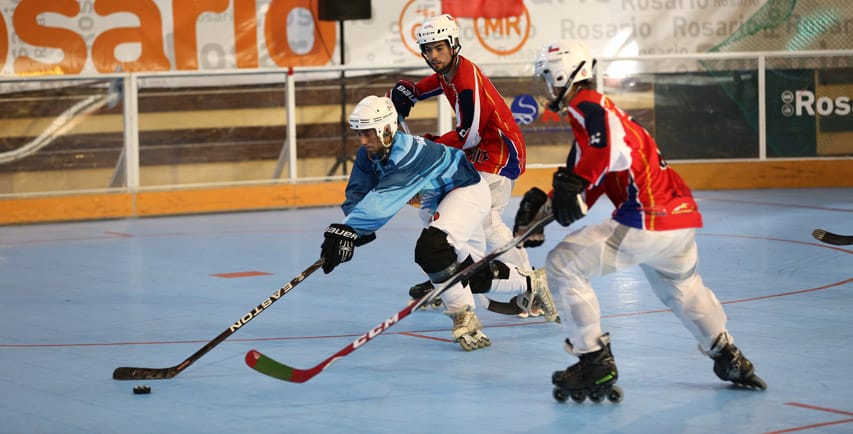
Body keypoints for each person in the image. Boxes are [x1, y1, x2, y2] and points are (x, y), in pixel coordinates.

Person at [513, 40, 767, 401]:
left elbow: (593, 162)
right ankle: (727, 356)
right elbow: (590, 181)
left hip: (647, 219)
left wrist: (571, 190)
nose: (545, 88)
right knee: (685, 291)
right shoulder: (605, 118)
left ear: (563, 74)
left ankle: (593, 360)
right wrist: (540, 218)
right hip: (680, 221)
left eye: (547, 78)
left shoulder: (588, 106)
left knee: (563, 263)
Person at [320, 95, 556, 351]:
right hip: (440, 200)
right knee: (467, 274)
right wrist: (350, 230)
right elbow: (359, 189)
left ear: (386, 129)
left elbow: (385, 197)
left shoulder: (409, 154)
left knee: (431, 250)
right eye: (360, 134)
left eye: (368, 133)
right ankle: (533, 282)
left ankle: (463, 316)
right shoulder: (370, 152)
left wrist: (349, 230)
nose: (363, 141)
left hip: (467, 191)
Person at [388, 14, 544, 318]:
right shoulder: (450, 71)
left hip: (499, 153)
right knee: (459, 211)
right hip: (481, 152)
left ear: (453, 44)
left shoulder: (465, 79)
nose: (433, 56)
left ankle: (531, 284)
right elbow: (434, 84)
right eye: (428, 50)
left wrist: (430, 145)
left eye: (439, 48)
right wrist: (413, 91)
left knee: (485, 219)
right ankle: (454, 271)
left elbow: (468, 134)